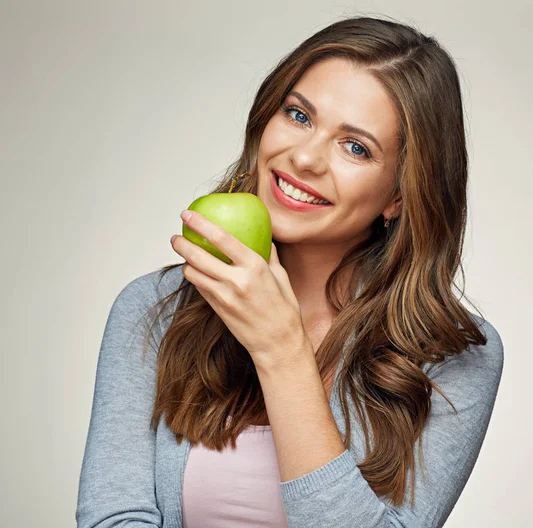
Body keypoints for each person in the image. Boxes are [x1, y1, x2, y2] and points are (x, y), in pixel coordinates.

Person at [76, 15, 504, 528]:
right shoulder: (155, 309)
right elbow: (112, 517)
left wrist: (282, 353)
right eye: (299, 115)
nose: (303, 157)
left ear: (398, 196)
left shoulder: (451, 358)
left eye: (355, 147)